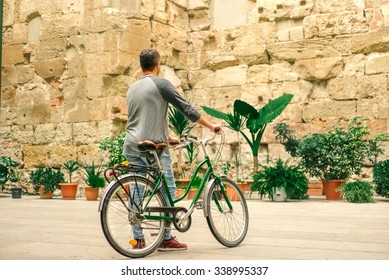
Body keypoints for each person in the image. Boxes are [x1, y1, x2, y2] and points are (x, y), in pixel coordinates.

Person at [122, 48, 222, 251]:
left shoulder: (132, 88)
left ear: (142, 66)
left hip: (132, 144)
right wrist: (211, 126)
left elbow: (141, 118)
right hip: (152, 148)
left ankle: (138, 239)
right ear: (158, 65)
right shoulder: (161, 84)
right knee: (168, 189)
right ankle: (166, 237)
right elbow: (187, 109)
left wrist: (168, 137)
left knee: (137, 190)